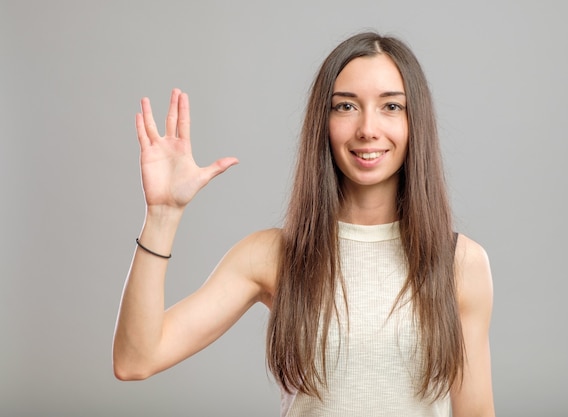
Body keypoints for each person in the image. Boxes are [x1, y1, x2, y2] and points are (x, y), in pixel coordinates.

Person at [113, 32, 495, 416]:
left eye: (391, 106)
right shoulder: (270, 255)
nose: (367, 128)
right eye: (346, 106)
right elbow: (136, 360)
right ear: (323, 122)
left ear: (416, 122)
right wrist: (162, 215)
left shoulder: (461, 263)